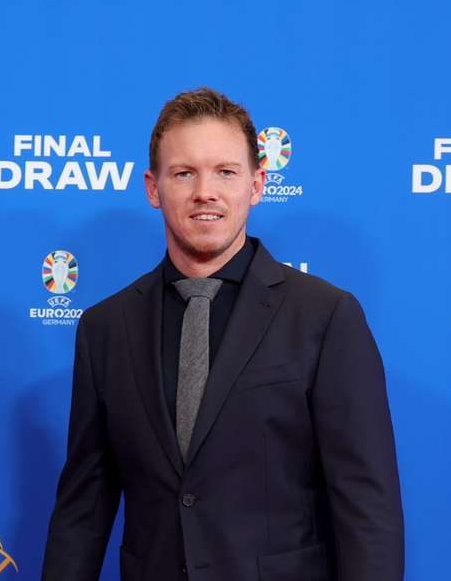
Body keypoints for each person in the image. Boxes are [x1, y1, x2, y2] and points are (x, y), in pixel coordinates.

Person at [42, 88, 403, 580]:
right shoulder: (106, 328)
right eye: (184, 172)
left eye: (225, 172)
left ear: (256, 184)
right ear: (153, 187)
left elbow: (367, 508)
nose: (204, 192)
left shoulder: (325, 316)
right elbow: (83, 509)